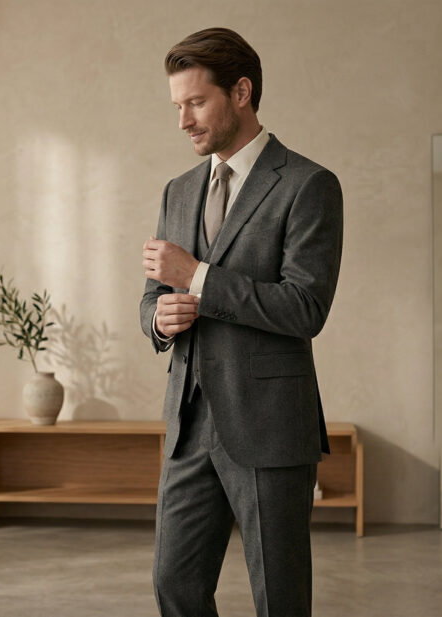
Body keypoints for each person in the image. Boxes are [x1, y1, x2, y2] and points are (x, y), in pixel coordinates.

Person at [140, 27, 344, 617]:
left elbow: (306, 307)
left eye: (195, 102)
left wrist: (198, 278)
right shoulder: (178, 191)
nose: (183, 120)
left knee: (278, 596)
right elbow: (153, 297)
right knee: (174, 585)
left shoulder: (308, 185)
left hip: (270, 425)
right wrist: (162, 318)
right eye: (176, 105)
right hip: (188, 421)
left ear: (242, 92)